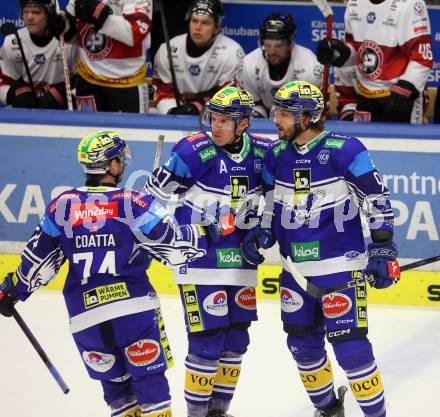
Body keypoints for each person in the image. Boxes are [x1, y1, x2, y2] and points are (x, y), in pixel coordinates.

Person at [0, 130, 221, 417]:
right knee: (150, 382)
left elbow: (36, 265)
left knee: (117, 392)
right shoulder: (132, 201)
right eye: (120, 159)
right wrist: (203, 231)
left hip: (85, 320)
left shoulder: (61, 206)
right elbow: (175, 246)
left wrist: (13, 290)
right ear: (111, 165)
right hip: (134, 312)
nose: (123, 164)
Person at [241, 81, 400, 417]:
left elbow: (375, 200)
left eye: (285, 113)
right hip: (294, 273)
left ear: (309, 118)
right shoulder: (275, 155)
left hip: (340, 269)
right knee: (302, 346)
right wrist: (263, 228)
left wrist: (383, 249)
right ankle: (328, 409)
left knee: (351, 348)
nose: (276, 119)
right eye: (277, 111)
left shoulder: (347, 149)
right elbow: (269, 200)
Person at [144, 86, 274, 417]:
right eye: (213, 118)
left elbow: (280, 194)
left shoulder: (263, 152)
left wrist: (264, 225)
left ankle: (218, 412)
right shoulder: (192, 152)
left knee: (236, 343)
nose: (216, 126)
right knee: (208, 342)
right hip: (200, 262)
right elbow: (150, 203)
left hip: (241, 262)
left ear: (245, 123)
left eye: (225, 120)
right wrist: (161, 239)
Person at [316, 0, 433, 123]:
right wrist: (341, 53)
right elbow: (358, 52)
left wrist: (404, 91)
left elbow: (422, 58)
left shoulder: (410, 4)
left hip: (400, 97)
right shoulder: (354, 3)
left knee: (406, 142)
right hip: (364, 95)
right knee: (367, 142)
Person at [52, 0, 153, 113]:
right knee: (88, 130)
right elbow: (78, 30)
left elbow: (135, 34)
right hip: (88, 81)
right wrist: (65, 27)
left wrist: (102, 18)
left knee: (128, 131)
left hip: (126, 84)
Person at [153, 0, 245, 116]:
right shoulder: (168, 49)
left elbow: (230, 94)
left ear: (216, 27)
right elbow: (163, 91)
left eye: (205, 23)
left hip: (215, 119)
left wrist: (197, 107)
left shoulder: (232, 53)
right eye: (194, 21)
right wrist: (173, 113)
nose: (198, 27)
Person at [238, 12, 323, 118]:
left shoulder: (309, 66)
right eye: (268, 45)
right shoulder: (248, 64)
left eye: (278, 46)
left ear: (290, 43)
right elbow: (252, 106)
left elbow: (315, 112)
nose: (272, 51)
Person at [0, 0, 77, 109]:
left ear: (49, 14)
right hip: (26, 112)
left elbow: (85, 83)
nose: (29, 17)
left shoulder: (68, 42)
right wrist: (10, 94)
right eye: (25, 12)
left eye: (36, 12)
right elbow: (3, 82)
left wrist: (62, 95)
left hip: (63, 112)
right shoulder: (12, 42)